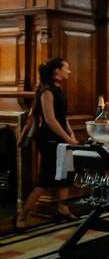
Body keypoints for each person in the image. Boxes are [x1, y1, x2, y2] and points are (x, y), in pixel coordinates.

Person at [15, 58, 79, 230]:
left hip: (62, 137)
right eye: (66, 68)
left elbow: (62, 117)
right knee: (46, 179)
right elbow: (50, 120)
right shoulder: (46, 91)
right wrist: (67, 138)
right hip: (49, 139)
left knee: (65, 175)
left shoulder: (59, 89)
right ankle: (23, 214)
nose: (69, 71)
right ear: (57, 71)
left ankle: (62, 208)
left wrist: (71, 133)